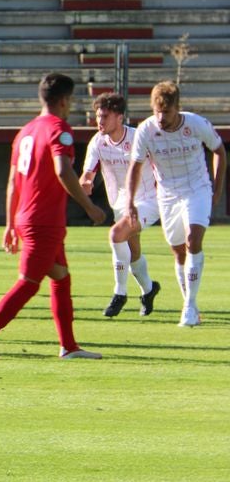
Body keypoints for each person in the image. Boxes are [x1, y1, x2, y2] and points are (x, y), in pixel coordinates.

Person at [0, 73, 107, 360]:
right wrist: (89, 206)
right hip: (44, 220)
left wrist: (9, 224)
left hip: (27, 216)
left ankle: (68, 346)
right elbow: (62, 170)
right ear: (65, 100)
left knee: (61, 277)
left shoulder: (26, 131)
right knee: (28, 283)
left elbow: (12, 183)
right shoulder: (59, 129)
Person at [126, 81, 226, 327]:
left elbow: (220, 151)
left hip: (197, 189)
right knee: (179, 250)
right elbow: (135, 167)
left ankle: (189, 307)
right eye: (157, 111)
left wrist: (216, 191)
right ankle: (189, 303)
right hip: (168, 194)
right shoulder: (146, 130)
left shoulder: (196, 124)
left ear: (177, 109)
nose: (160, 117)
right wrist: (130, 202)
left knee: (194, 240)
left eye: (166, 112)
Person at [79, 92, 161, 318]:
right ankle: (149, 290)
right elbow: (88, 173)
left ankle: (120, 293)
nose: (100, 121)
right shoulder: (98, 141)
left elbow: (158, 166)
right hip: (119, 203)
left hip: (147, 200)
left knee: (116, 234)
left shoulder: (138, 138)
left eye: (104, 116)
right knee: (133, 252)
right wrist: (84, 184)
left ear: (119, 117)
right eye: (98, 116)